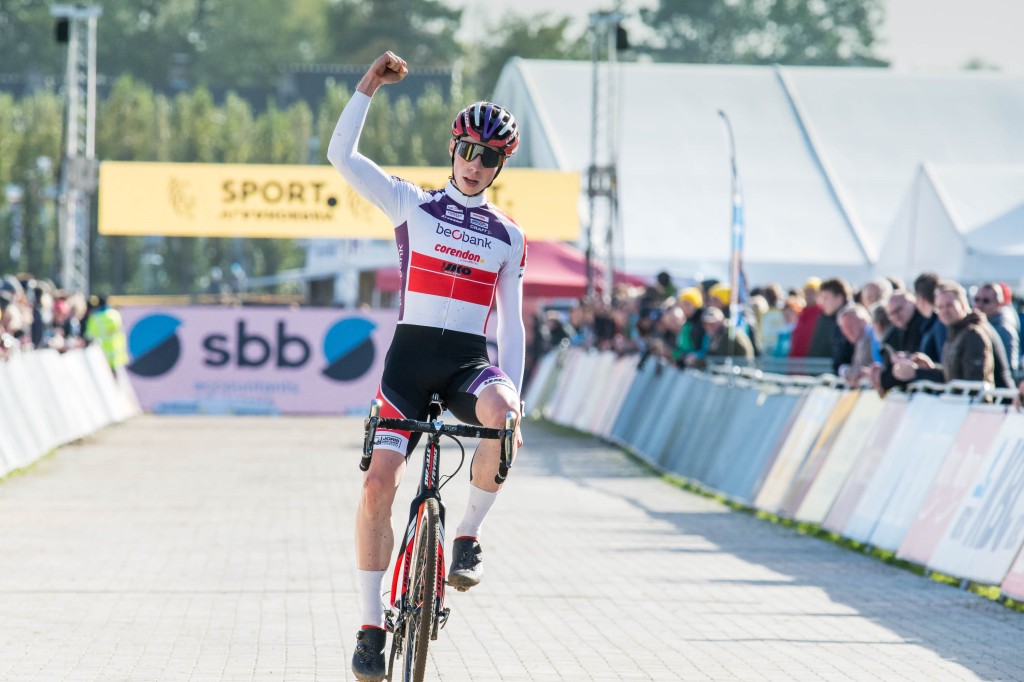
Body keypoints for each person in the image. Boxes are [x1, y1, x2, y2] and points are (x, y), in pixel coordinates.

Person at [326, 51, 527, 682]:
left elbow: (512, 323)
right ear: (453, 147)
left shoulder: (509, 236)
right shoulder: (410, 203)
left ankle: (466, 534)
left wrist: (517, 395)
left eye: (488, 156)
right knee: (376, 487)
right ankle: (369, 625)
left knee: (504, 413)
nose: (474, 163)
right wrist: (368, 86)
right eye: (467, 149)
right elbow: (341, 157)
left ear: (501, 164)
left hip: (468, 363)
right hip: (409, 366)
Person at [893, 280, 1013, 388]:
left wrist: (919, 373)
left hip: (995, 407)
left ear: (962, 304)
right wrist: (930, 368)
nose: (944, 311)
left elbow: (972, 384)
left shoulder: (973, 333)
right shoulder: (956, 331)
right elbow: (956, 375)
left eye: (950, 305)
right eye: (940, 307)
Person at [974, 282, 1020, 371]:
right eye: (976, 299)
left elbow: (1010, 367)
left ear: (999, 303)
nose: (980, 304)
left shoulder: (1004, 329)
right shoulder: (978, 325)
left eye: (986, 301)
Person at [83, 294, 128, 375]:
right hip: (115, 351)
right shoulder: (114, 314)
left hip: (99, 353)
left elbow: (89, 335)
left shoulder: (94, 317)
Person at [836, 303, 874, 385]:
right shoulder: (860, 341)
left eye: (850, 325)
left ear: (864, 320)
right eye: (843, 328)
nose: (847, 331)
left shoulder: (874, 337)